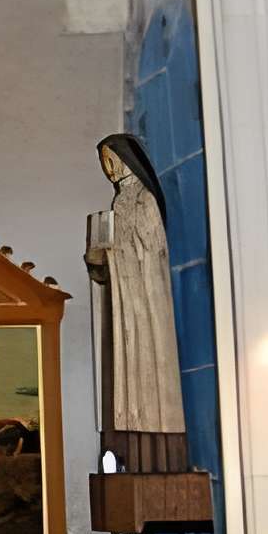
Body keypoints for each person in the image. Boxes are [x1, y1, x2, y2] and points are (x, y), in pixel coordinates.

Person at [87, 133, 187, 472]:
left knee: (151, 362)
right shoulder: (120, 202)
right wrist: (99, 260)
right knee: (128, 362)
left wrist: (111, 255)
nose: (108, 167)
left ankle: (161, 449)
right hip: (126, 296)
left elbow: (153, 248)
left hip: (146, 292)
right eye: (104, 161)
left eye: (110, 159)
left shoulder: (144, 200)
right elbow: (110, 266)